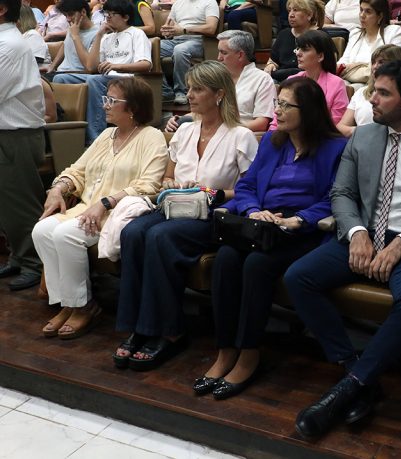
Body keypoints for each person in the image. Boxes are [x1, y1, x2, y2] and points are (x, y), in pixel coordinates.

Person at [284, 59, 401, 439]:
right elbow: (342, 192)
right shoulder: (363, 137)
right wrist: (356, 231)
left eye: (382, 93)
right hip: (364, 235)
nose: (371, 99)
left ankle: (348, 388)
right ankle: (355, 369)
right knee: (298, 277)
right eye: (373, 90)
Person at [196, 77, 347, 400]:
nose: (277, 110)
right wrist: (253, 211)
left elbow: (336, 198)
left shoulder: (335, 148)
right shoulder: (272, 142)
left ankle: (249, 353)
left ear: (308, 110)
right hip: (263, 224)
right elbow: (247, 185)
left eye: (285, 105)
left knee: (257, 264)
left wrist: (298, 219)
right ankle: (225, 349)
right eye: (277, 103)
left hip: (302, 230)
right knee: (225, 259)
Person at [113, 61, 257, 371]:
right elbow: (168, 175)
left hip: (213, 215)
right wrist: (170, 183)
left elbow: (249, 191)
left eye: (198, 89)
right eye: (189, 88)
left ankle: (169, 330)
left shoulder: (241, 136)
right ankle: (138, 326)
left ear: (219, 94)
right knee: (132, 232)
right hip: (176, 207)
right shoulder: (185, 131)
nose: (189, 95)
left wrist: (213, 192)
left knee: (159, 236)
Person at [33, 78, 167, 339]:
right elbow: (78, 171)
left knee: (65, 235)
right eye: (106, 99)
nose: (104, 105)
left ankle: (84, 306)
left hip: (119, 214)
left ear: (133, 108)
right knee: (41, 230)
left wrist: (106, 203)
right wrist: (58, 188)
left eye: (111, 100)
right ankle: (68, 303)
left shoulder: (152, 137)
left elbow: (149, 185)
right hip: (86, 210)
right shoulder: (106, 135)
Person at [53, 0, 152, 145]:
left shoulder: (137, 33)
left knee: (94, 80)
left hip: (127, 78)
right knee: (61, 78)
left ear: (125, 17)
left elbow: (146, 64)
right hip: (104, 77)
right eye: (106, 14)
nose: (108, 18)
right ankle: (69, 133)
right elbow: (91, 67)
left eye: (112, 14)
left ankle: (96, 137)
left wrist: (117, 66)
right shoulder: (106, 37)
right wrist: (99, 35)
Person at [0, 0, 46, 292]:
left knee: (21, 203)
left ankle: (35, 264)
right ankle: (19, 256)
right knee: (6, 204)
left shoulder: (10, 45)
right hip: (8, 132)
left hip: (16, 135)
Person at [166, 30, 276, 133]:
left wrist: (223, 128)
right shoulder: (215, 77)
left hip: (239, 135)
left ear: (240, 55)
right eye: (219, 52)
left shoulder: (262, 79)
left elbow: (261, 124)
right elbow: (202, 112)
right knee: (178, 125)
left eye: (224, 53)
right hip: (209, 130)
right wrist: (180, 119)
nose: (219, 58)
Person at [268, 30, 348, 127]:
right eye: (298, 48)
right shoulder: (292, 80)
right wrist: (271, 134)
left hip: (320, 135)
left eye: (305, 49)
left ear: (320, 56)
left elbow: (335, 125)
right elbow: (275, 123)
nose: (298, 53)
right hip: (286, 134)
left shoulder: (336, 84)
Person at [336, 43, 401, 136]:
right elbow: (341, 127)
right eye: (373, 62)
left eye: (381, 62)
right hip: (361, 141)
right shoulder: (361, 92)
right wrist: (364, 132)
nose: (375, 66)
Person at [159, 0, 219, 105]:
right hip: (175, 40)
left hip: (198, 40)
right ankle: (166, 91)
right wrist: (167, 30)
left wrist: (185, 30)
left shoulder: (210, 2)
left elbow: (211, 28)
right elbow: (169, 24)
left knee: (180, 50)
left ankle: (181, 91)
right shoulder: (178, 3)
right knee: (150, 47)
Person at [337, 0, 401, 84]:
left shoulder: (393, 32)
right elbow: (342, 64)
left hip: (380, 84)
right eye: (361, 10)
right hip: (350, 83)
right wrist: (365, 67)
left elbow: (395, 65)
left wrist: (354, 66)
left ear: (380, 16)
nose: (362, 15)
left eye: (368, 12)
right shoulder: (355, 33)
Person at [264, 0, 325, 82]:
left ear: (309, 15)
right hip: (281, 80)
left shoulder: (320, 36)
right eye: (289, 10)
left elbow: (327, 66)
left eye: (296, 10)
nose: (291, 15)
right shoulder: (283, 34)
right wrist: (270, 65)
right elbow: (273, 60)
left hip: (309, 81)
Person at [44, 0, 99, 75]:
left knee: (59, 78)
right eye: (65, 15)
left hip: (79, 74)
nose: (68, 19)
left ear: (83, 12)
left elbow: (89, 66)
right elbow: (65, 45)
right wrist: (52, 66)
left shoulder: (97, 34)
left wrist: (76, 36)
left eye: (70, 14)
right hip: (61, 72)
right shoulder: (72, 28)